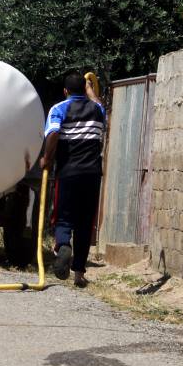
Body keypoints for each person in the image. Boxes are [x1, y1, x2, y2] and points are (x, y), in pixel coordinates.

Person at [39, 69, 105, 287]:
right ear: (84, 89)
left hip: (68, 172)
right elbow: (98, 102)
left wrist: (47, 158)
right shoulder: (97, 109)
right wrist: (90, 90)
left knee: (63, 217)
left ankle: (63, 244)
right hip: (93, 174)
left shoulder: (59, 108)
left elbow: (54, 133)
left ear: (65, 90)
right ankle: (78, 273)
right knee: (85, 224)